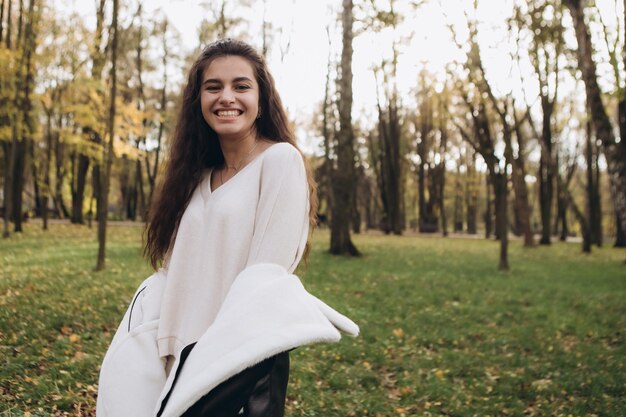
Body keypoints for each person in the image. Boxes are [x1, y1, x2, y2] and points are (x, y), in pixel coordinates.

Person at [96, 39, 358, 417]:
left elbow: (265, 278)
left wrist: (213, 359)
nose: (226, 97)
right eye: (213, 87)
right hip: (173, 356)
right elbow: (173, 271)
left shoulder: (280, 162)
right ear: (198, 100)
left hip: (232, 363)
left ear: (261, 98)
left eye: (241, 86)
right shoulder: (196, 175)